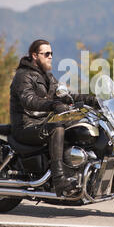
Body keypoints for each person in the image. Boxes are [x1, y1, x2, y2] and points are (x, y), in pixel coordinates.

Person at [9, 39, 97, 196]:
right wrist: (52, 105)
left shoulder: (47, 77)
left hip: (41, 123)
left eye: (51, 53)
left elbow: (66, 95)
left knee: (77, 124)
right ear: (35, 55)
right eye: (46, 53)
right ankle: (59, 179)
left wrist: (93, 100)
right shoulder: (23, 76)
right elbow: (29, 100)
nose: (50, 57)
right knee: (57, 128)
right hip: (26, 126)